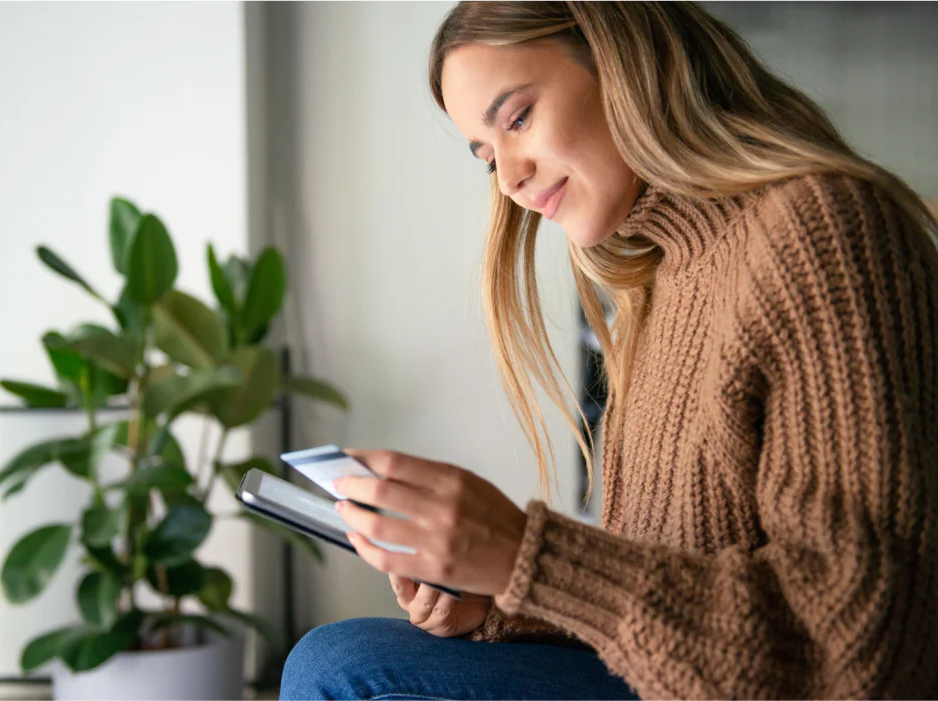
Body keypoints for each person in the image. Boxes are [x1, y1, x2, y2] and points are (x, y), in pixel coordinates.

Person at [279, 0, 938, 698]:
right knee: (337, 652)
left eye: (517, 117)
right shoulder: (657, 286)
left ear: (622, 59)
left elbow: (862, 651)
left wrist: (521, 555)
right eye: (486, 157)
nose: (509, 178)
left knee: (343, 670)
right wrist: (501, 599)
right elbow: (665, 604)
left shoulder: (824, 232)